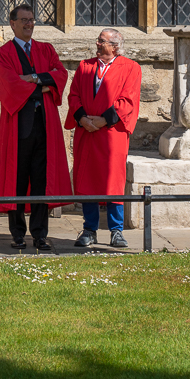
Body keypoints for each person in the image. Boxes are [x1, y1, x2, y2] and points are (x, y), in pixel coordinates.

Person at [0, 3, 73, 250]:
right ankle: (17, 233)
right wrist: (43, 85)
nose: (29, 24)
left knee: (41, 180)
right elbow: (9, 86)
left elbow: (61, 74)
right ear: (12, 24)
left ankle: (39, 234)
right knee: (17, 180)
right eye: (24, 20)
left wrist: (33, 78)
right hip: (18, 125)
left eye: (31, 20)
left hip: (45, 124)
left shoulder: (46, 49)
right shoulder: (3, 54)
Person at [65, 28, 142, 248]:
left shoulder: (131, 68)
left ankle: (116, 231)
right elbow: (74, 95)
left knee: (113, 181)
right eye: (98, 40)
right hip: (87, 131)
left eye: (102, 41)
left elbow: (128, 100)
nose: (97, 44)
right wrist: (82, 119)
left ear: (115, 46)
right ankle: (89, 229)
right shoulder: (85, 66)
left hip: (112, 133)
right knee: (87, 179)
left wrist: (103, 120)